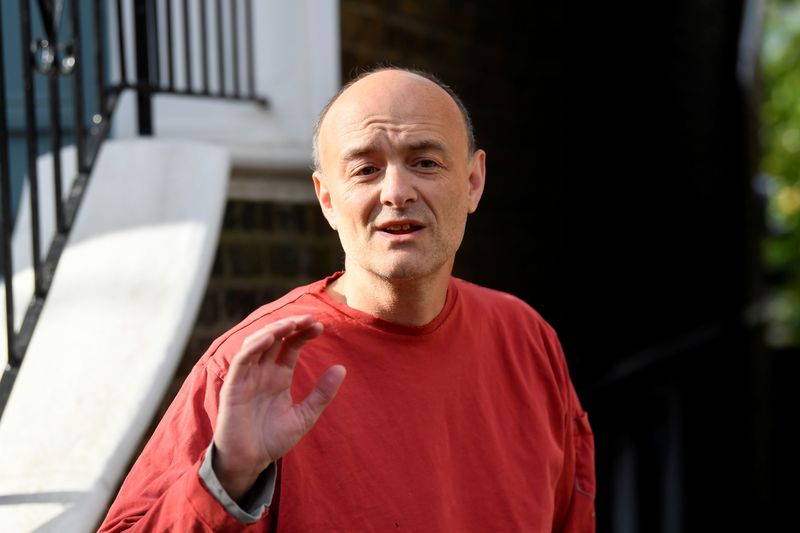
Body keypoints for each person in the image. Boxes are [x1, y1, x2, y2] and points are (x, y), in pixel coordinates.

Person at [99, 67, 596, 532]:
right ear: (327, 199)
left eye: (425, 162)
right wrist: (226, 479)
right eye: (365, 169)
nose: (396, 192)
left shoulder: (526, 339)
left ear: (472, 181)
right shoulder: (254, 365)